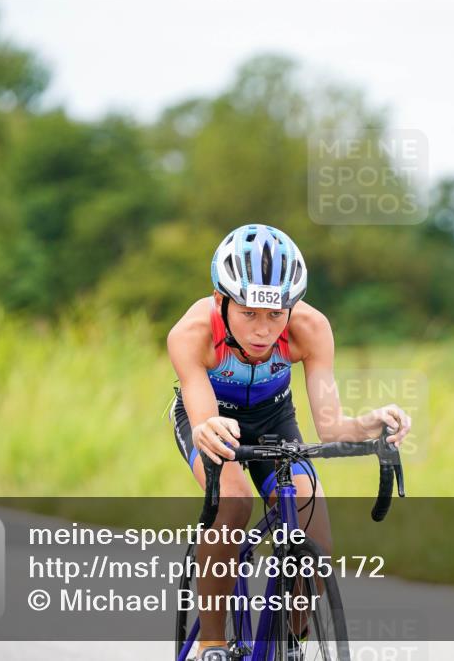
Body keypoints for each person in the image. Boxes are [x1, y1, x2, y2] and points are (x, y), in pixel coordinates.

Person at [167, 223, 412, 660]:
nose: (263, 330)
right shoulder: (192, 334)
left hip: (274, 417)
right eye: (248, 314)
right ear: (222, 302)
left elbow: (333, 427)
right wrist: (207, 430)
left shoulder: (311, 329)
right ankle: (212, 644)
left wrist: (370, 423)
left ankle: (288, 645)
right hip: (210, 418)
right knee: (234, 500)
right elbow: (206, 420)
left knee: (314, 532)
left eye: (275, 314)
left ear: (291, 308)